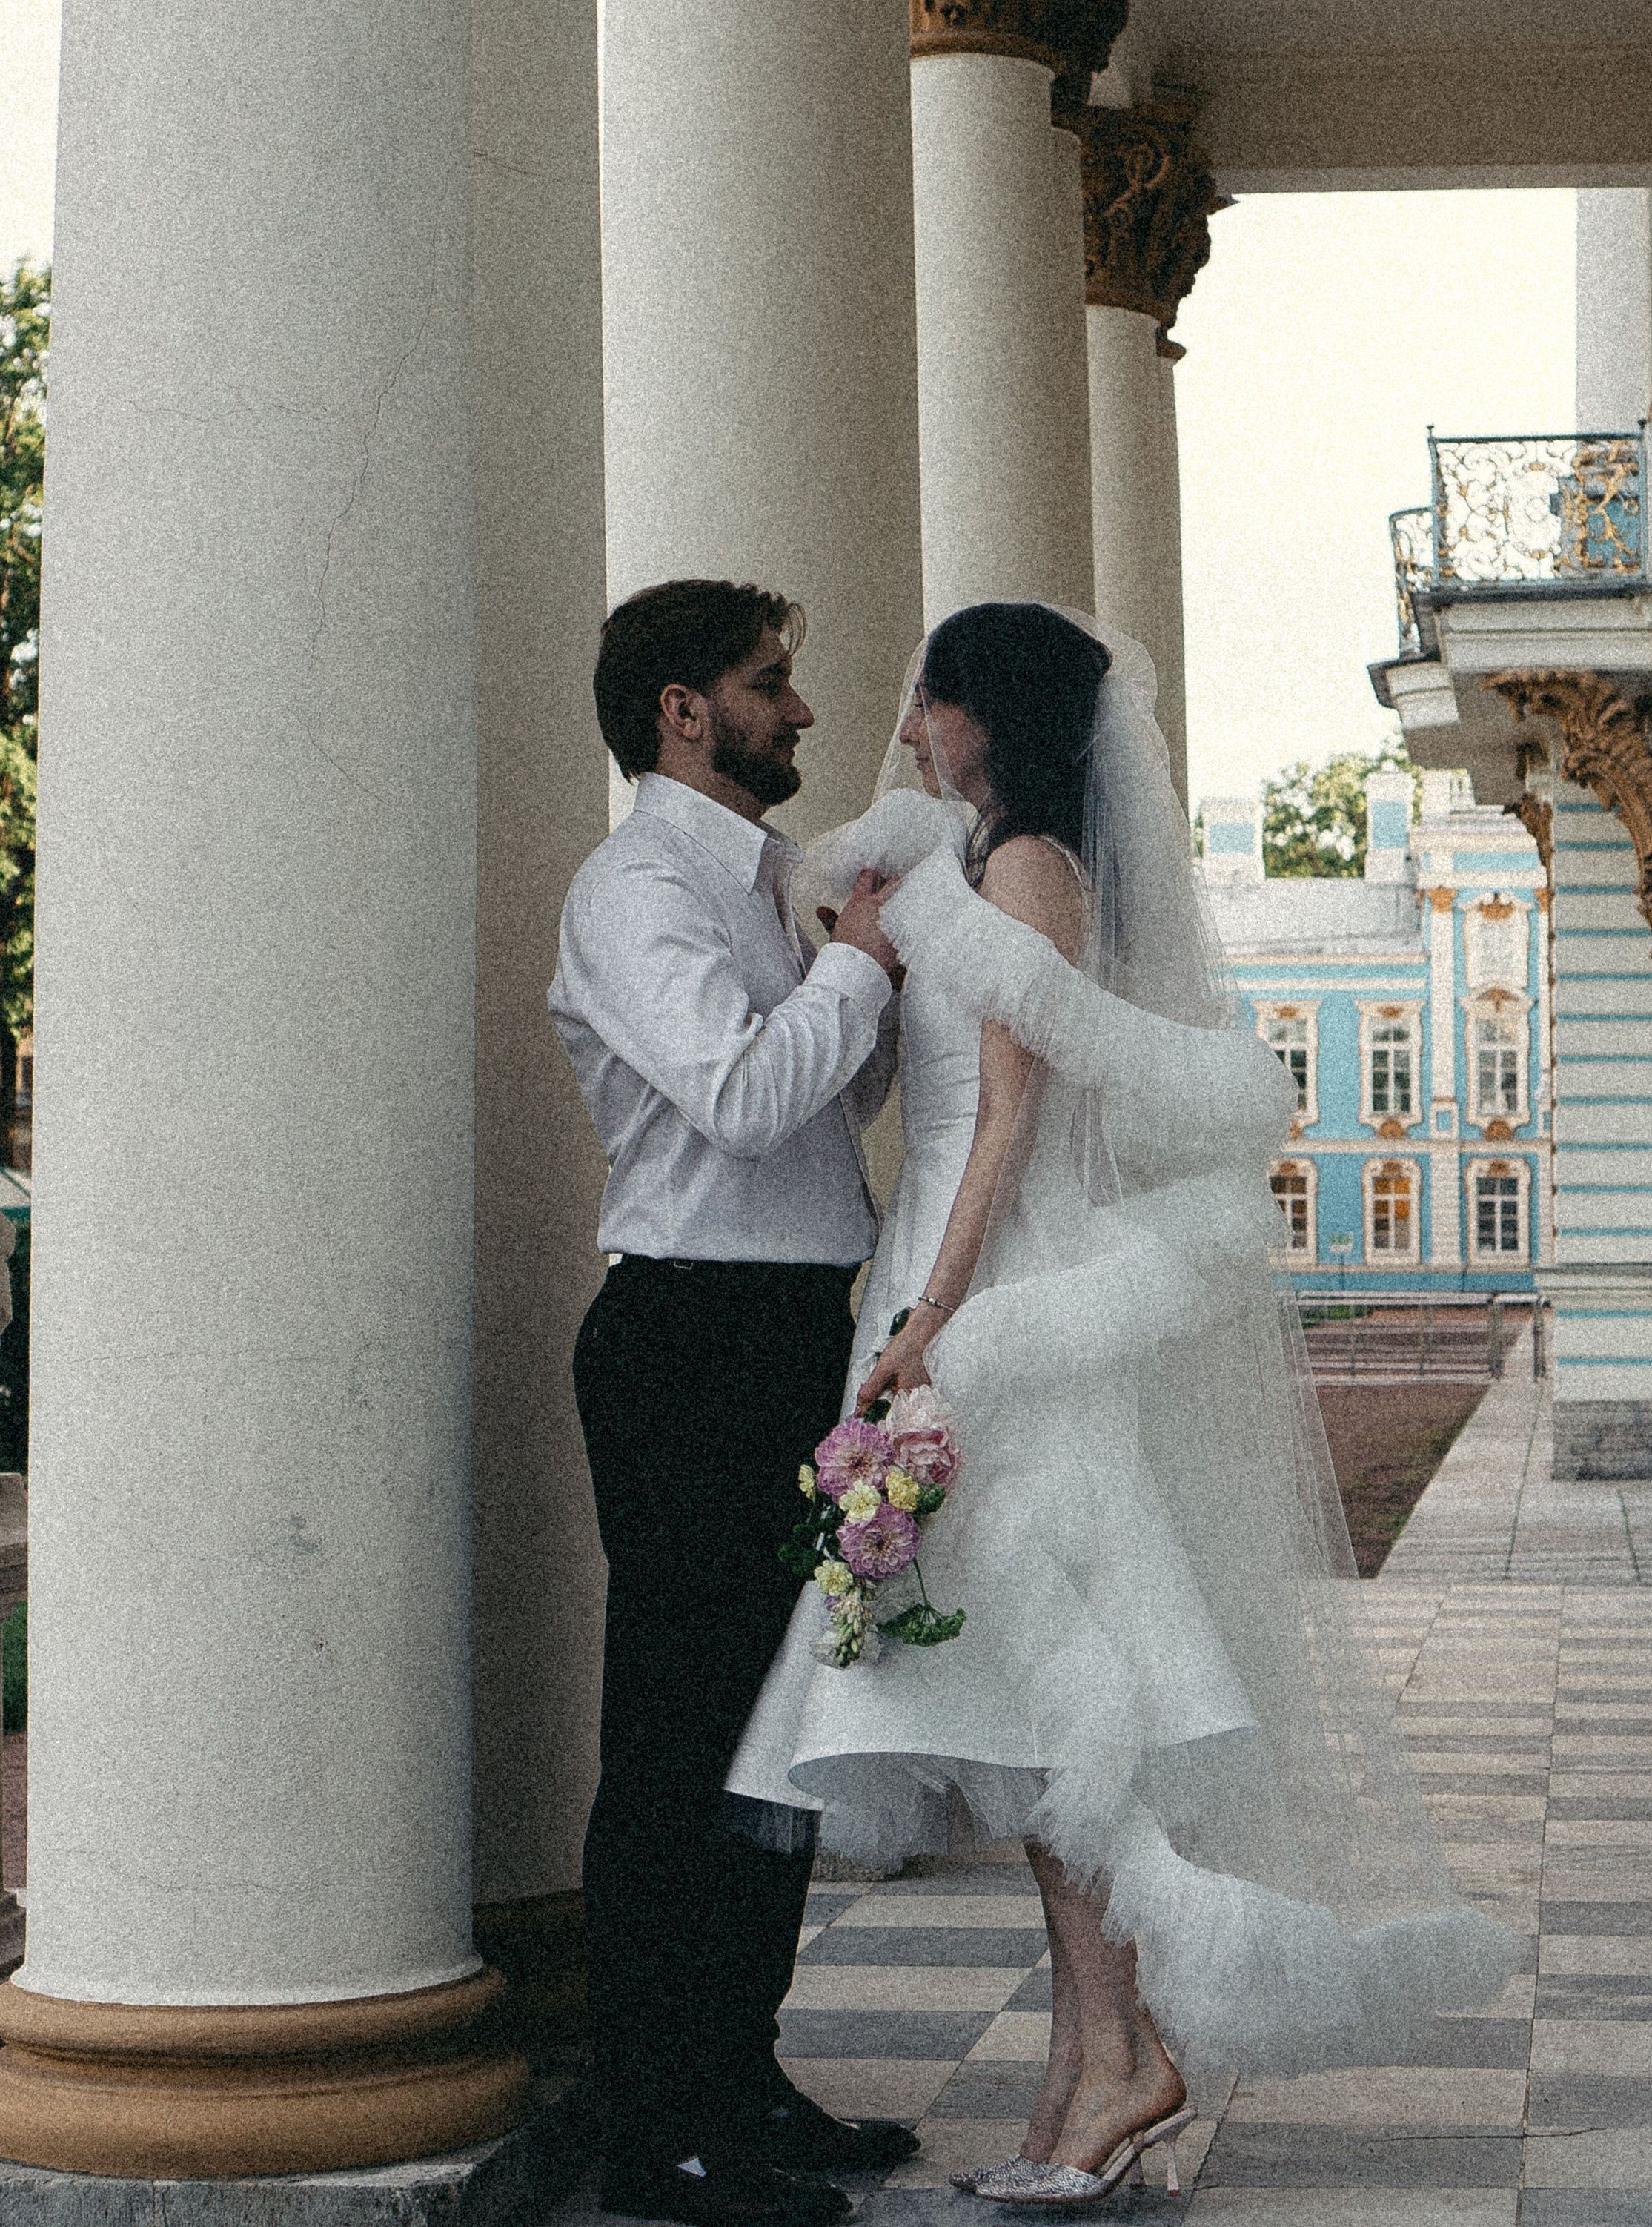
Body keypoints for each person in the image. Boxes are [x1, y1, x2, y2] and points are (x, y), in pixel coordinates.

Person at [729, 601, 1516, 2207]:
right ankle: (1091, 2065)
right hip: (946, 1265)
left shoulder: (1023, 873)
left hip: (1003, 1284)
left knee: (1060, 1699)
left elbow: (1013, 1114)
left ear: (987, 718)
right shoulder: (974, 862)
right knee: (1034, 1713)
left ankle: (1120, 2059)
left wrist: (938, 1321)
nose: (902, 731)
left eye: (925, 701)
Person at [550, 579, 922, 2227]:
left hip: (791, 1341)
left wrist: (863, 974)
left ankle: (738, 2068)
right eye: (773, 684)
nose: (803, 711)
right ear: (682, 710)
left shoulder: (772, 883)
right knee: (679, 1736)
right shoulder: (636, 891)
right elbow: (744, 1097)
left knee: (773, 1741)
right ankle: (654, 2123)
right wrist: (850, 969)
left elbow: (840, 1088)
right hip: (687, 1342)